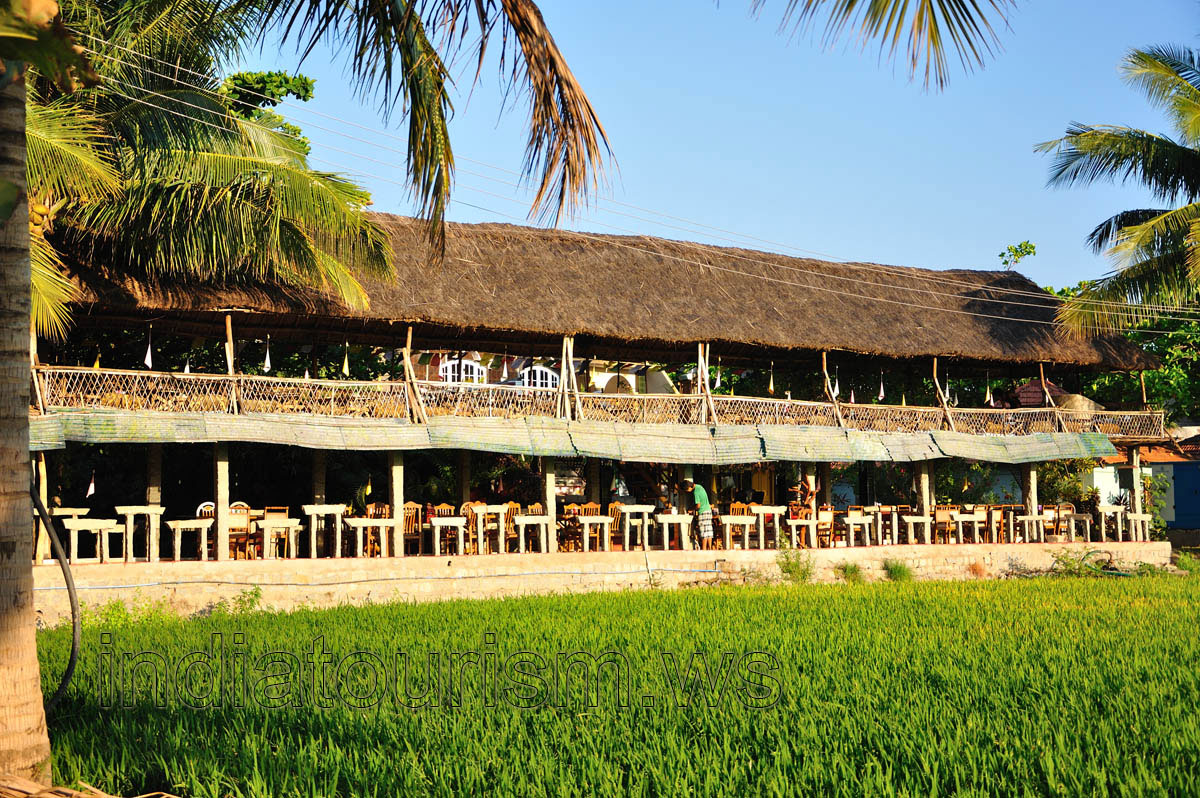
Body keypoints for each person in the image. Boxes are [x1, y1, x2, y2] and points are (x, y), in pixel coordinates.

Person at [682, 478, 713, 550]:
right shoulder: (700, 487)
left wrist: (691, 509)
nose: (687, 492)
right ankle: (710, 549)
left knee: (703, 532)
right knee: (709, 531)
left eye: (687, 490)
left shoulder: (695, 492)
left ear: (689, 487)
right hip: (708, 510)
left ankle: (704, 549)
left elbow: (698, 505)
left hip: (702, 512)